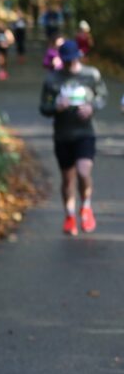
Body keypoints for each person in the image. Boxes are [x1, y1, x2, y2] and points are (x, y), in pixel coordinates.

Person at [39, 39, 107, 235]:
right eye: (66, 61)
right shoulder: (52, 79)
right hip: (62, 135)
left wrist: (91, 107)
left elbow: (102, 96)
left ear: (79, 56)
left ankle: (86, 207)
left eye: (73, 60)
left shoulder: (91, 75)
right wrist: (55, 108)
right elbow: (43, 107)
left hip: (85, 133)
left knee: (83, 171)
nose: (70, 64)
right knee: (67, 179)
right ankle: (69, 216)